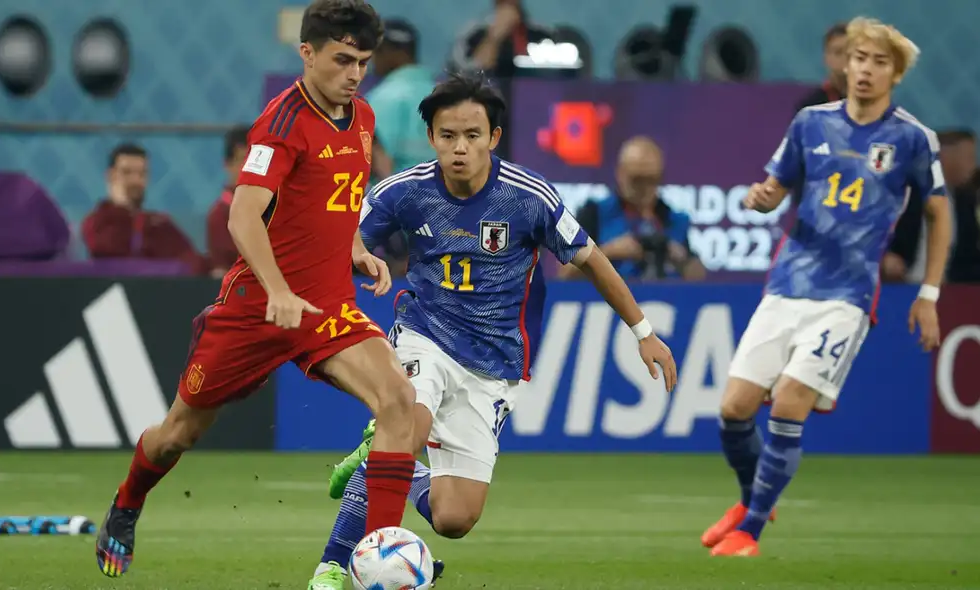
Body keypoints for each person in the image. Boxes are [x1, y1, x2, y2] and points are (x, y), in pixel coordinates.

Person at [306, 72, 678, 590]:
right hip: (424, 336)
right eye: (448, 136)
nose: (460, 148)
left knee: (454, 518)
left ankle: (382, 461)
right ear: (432, 137)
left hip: (493, 363)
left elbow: (591, 258)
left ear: (494, 138)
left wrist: (643, 332)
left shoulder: (529, 198)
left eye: (472, 136)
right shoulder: (405, 191)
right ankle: (334, 564)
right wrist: (356, 254)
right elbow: (341, 235)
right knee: (404, 427)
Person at [94, 0, 421, 579]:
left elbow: (332, 201)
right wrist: (275, 289)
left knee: (399, 402)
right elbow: (243, 218)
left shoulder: (363, 119)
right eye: (343, 60)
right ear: (308, 53)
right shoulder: (281, 122)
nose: (353, 74)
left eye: (363, 62)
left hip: (326, 309)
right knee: (176, 436)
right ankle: (127, 502)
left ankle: (379, 564)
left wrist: (355, 250)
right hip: (254, 311)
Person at [702, 17, 951, 557]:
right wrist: (761, 198)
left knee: (789, 403)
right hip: (788, 285)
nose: (864, 69)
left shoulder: (911, 138)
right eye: (858, 58)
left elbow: (938, 212)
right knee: (733, 409)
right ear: (845, 63)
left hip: (846, 298)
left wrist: (929, 294)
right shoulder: (810, 123)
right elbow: (775, 186)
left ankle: (752, 532)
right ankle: (751, 500)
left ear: (896, 73)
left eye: (879, 62)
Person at [564, 136, 706, 281]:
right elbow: (565, 273)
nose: (644, 188)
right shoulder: (594, 214)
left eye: (651, 180)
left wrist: (681, 259)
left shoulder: (674, 220)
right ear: (620, 173)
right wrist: (608, 252)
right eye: (636, 180)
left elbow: (700, 278)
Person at [82, 143, 208, 274]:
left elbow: (191, 261)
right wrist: (121, 208)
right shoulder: (96, 222)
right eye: (127, 173)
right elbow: (107, 250)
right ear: (111, 176)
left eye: (142, 173)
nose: (135, 180)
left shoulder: (158, 224)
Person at [364, 18, 435, 179]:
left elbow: (379, 161)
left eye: (377, 51)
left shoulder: (383, 97)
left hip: (396, 199)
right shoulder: (442, 95)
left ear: (393, 53)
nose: (372, 59)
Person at [206, 125, 250, 276]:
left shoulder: (279, 208)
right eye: (244, 161)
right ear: (228, 165)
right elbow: (220, 272)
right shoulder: (219, 215)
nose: (252, 169)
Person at [795, 23, 848, 111]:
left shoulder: (872, 103)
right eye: (838, 52)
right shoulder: (811, 107)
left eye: (850, 52)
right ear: (826, 58)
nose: (845, 58)